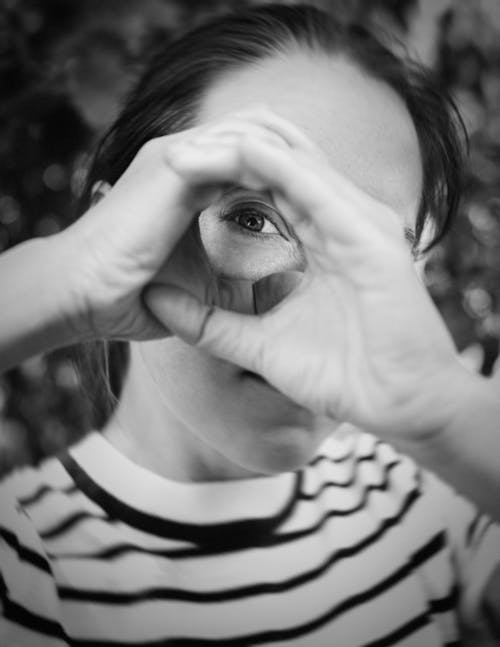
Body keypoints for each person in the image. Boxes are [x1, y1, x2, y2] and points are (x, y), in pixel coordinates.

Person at [0, 4, 499, 645]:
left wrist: (443, 412)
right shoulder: (30, 556)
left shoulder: (443, 499)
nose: (317, 307)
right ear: (117, 226)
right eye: (253, 218)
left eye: (373, 248)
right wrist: (59, 277)